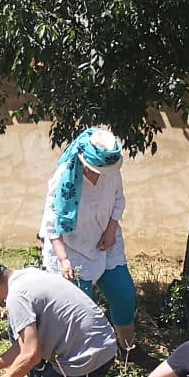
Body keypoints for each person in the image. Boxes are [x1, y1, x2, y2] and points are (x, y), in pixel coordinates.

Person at [38, 126, 139, 354]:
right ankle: (84, 361)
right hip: (70, 251)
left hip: (106, 243)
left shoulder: (112, 171)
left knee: (124, 296)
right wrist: (63, 259)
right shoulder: (63, 177)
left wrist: (111, 230)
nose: (101, 172)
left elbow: (118, 200)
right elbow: (51, 222)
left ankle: (128, 350)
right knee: (83, 309)